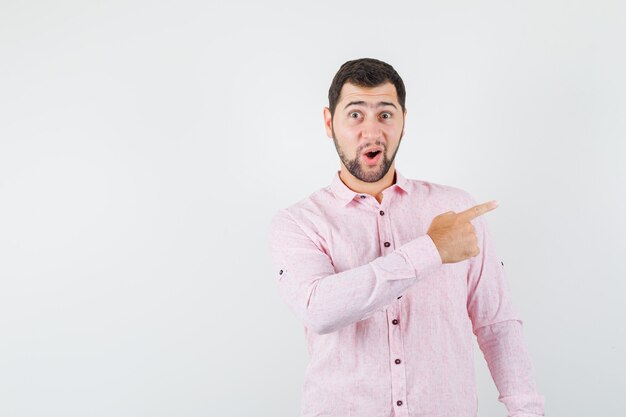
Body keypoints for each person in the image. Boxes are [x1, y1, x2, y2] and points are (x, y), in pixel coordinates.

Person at [268, 58, 544, 417]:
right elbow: (319, 310)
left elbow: (497, 323)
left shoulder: (456, 209)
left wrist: (526, 410)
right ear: (328, 122)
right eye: (355, 115)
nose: (372, 131)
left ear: (403, 121)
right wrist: (431, 250)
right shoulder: (298, 222)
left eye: (385, 115)